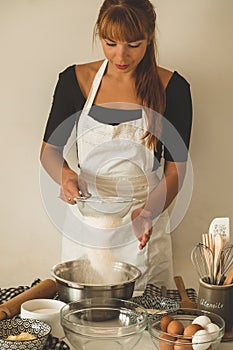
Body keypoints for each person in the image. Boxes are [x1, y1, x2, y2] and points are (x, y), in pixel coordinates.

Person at [40, 0, 192, 290]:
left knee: (148, 322)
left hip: (144, 223)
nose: (120, 55)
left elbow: (176, 170)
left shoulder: (172, 88)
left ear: (150, 37)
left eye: (134, 45)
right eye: (110, 43)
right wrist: (66, 175)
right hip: (88, 225)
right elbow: (50, 152)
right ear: (99, 34)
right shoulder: (75, 80)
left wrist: (148, 212)